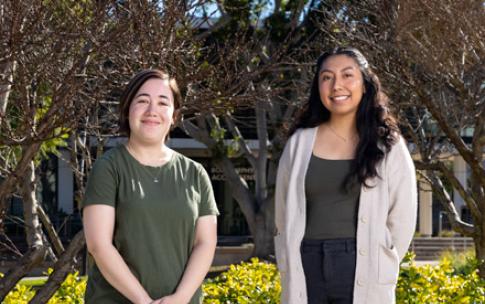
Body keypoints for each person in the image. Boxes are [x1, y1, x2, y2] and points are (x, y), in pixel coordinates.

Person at [274, 47, 417, 304]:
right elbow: (283, 211)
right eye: (326, 77)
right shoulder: (299, 143)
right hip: (306, 264)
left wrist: (381, 256)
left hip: (363, 264)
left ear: (365, 84)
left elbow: (403, 218)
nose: (336, 85)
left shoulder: (388, 145)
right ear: (318, 87)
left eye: (347, 75)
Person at [83, 69, 219, 304]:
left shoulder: (195, 174)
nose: (152, 111)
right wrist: (144, 302)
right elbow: (99, 245)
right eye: (143, 101)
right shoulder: (108, 168)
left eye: (162, 102)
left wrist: (180, 298)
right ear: (127, 110)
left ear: (174, 115)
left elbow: (205, 243)